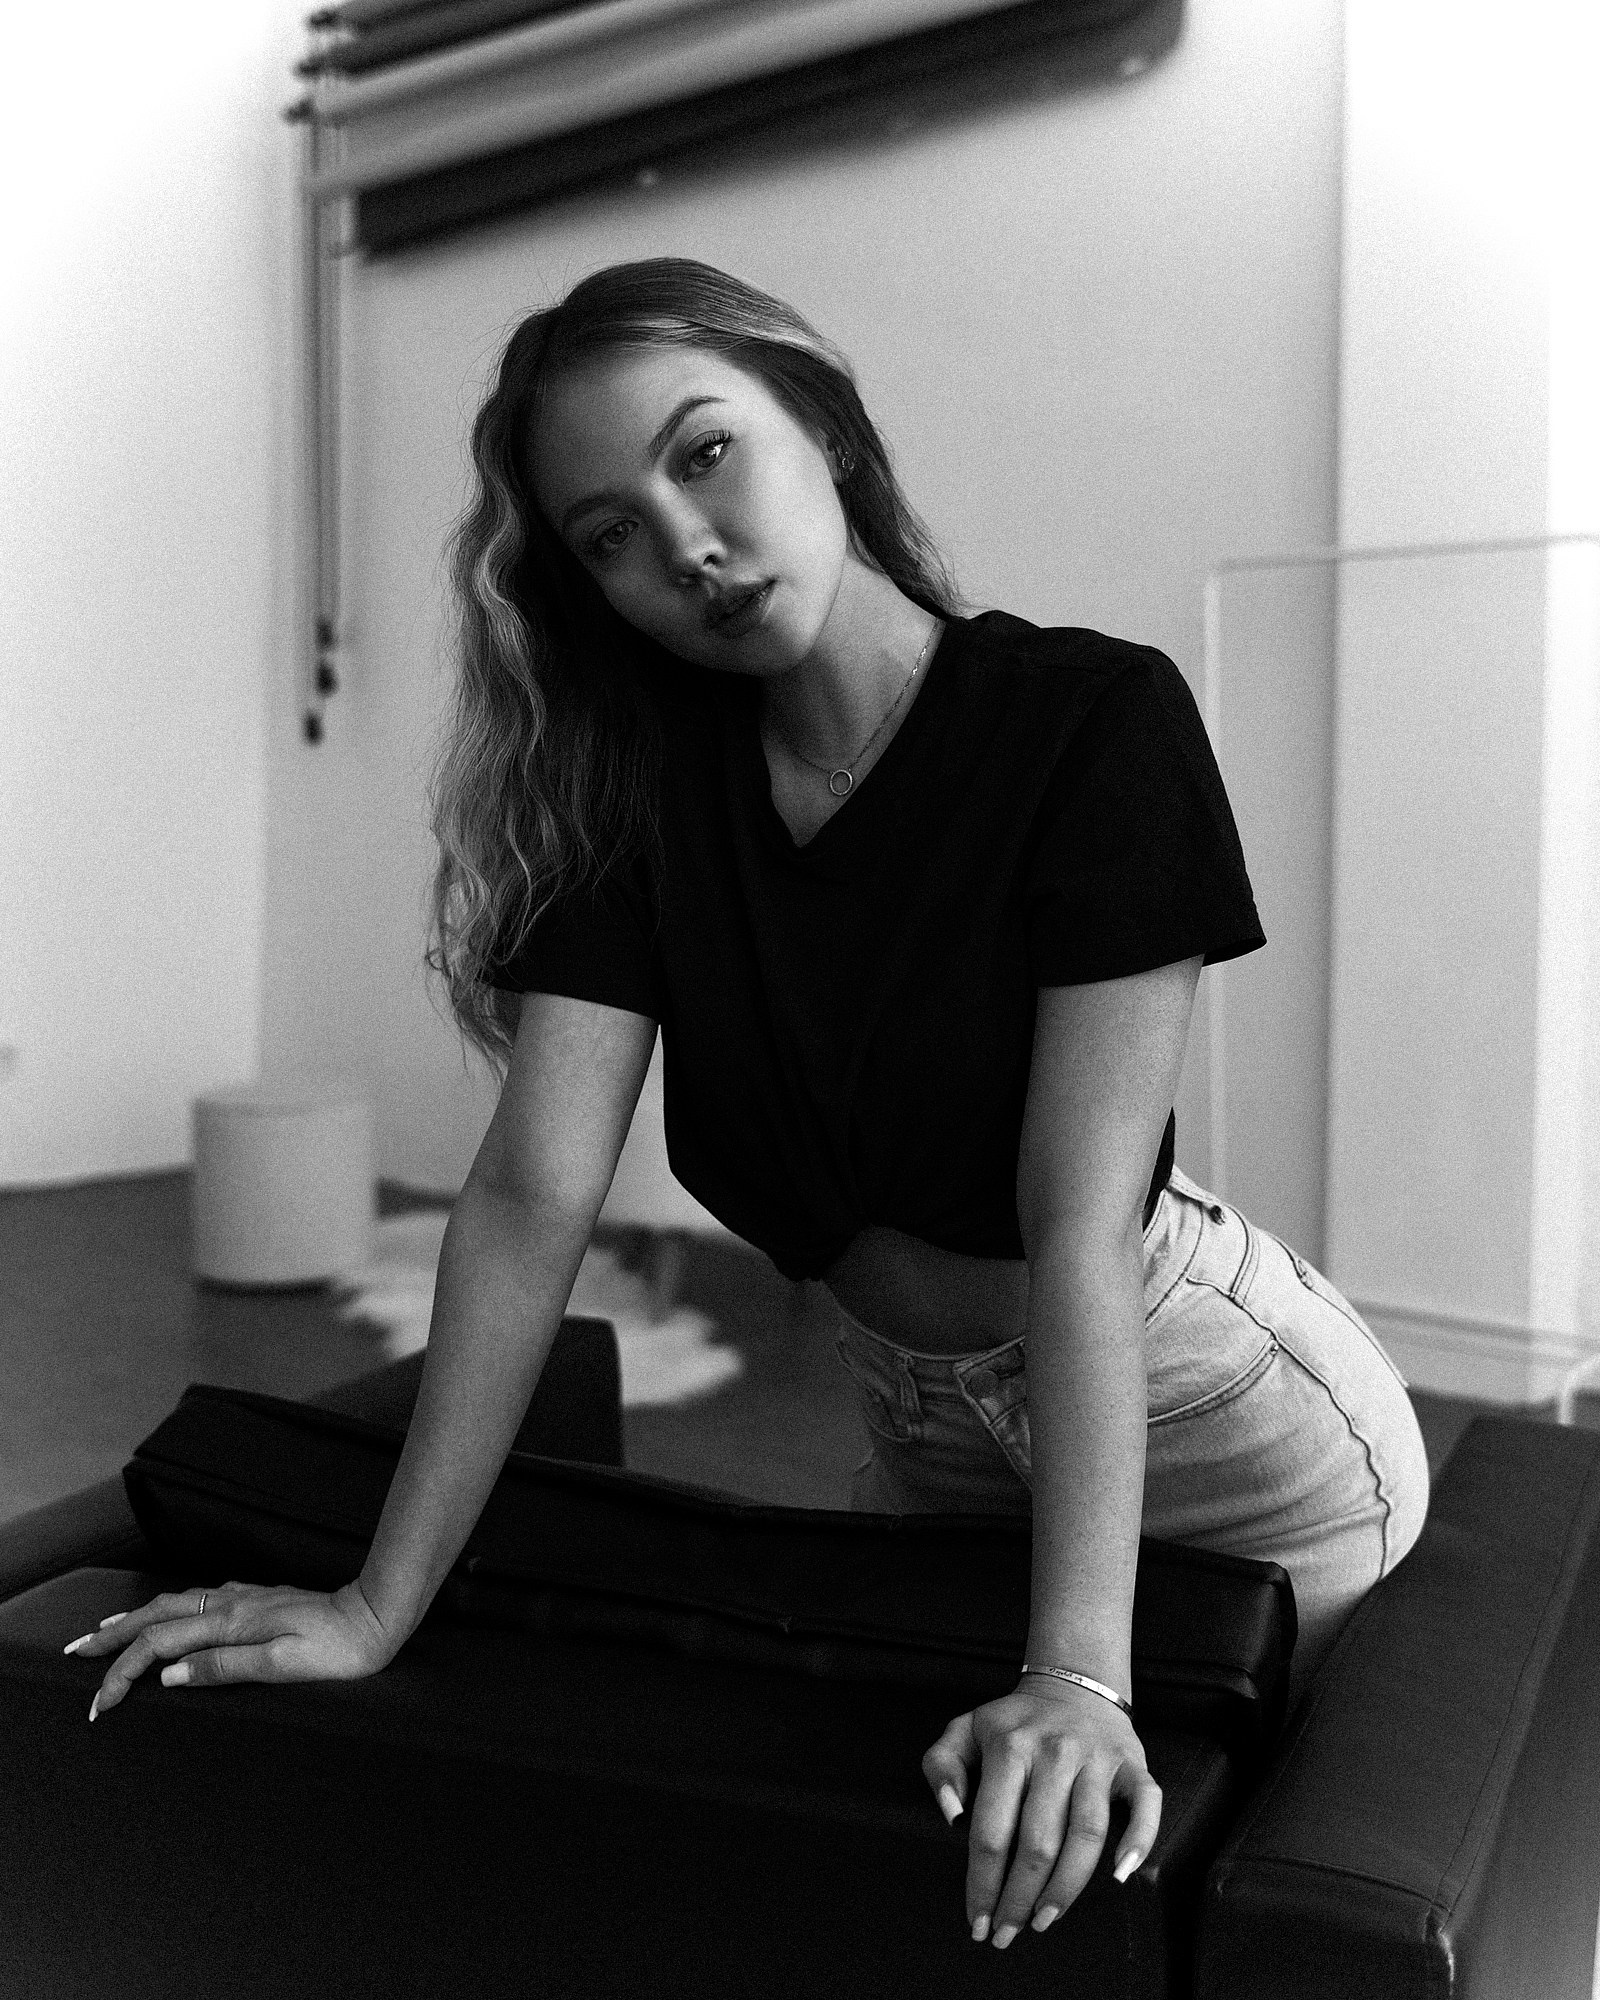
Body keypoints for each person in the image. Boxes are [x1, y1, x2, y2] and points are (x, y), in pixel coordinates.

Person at [72, 257, 1430, 1955]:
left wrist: (1081, 1675)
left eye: (704, 454)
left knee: (1256, 1893)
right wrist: (372, 1604)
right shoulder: (640, 805)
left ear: (824, 426)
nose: (686, 546)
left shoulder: (1092, 721)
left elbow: (1077, 1225)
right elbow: (528, 1203)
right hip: (930, 1452)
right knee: (933, 1907)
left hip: (1222, 1424)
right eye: (611, 536)